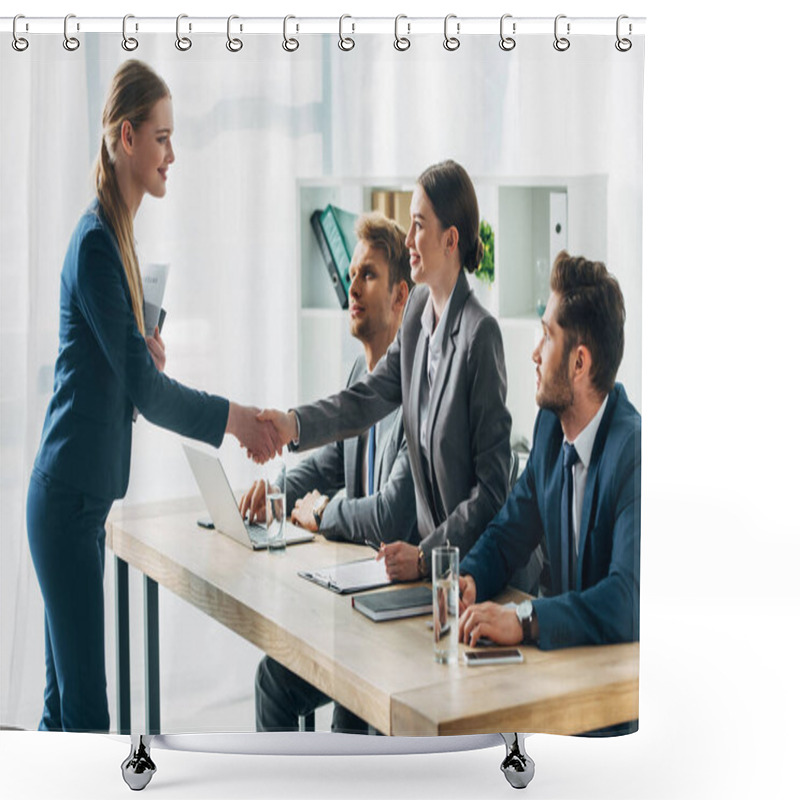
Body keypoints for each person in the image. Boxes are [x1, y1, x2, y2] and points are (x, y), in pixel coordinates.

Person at [26, 60, 273, 733]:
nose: (173, 154)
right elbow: (151, 394)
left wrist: (135, 363)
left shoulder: (115, 240)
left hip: (73, 500)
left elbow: (121, 387)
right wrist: (238, 420)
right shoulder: (100, 245)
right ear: (128, 138)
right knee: (83, 719)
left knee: (65, 714)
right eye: (162, 138)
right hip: (68, 505)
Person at [256, 159, 512, 582]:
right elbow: (364, 400)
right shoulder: (414, 316)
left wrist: (429, 557)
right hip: (425, 572)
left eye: (418, 225)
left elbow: (491, 491)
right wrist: (293, 424)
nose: (409, 239)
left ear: (450, 239)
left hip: (473, 574)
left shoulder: (479, 334)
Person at [240, 212, 418, 733]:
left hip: (390, 613)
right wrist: (273, 493)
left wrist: (324, 512)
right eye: (352, 273)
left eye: (369, 276)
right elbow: (329, 462)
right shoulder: (358, 374)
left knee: (346, 726)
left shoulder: (414, 393)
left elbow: (392, 515)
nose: (352, 287)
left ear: (401, 296)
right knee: (273, 680)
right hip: (352, 600)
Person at [457, 251, 641, 660]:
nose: (535, 353)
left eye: (547, 335)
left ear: (579, 362)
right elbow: (509, 532)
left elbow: (627, 598)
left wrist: (525, 618)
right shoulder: (549, 431)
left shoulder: (634, 454)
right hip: (561, 674)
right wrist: (467, 578)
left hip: (612, 696)